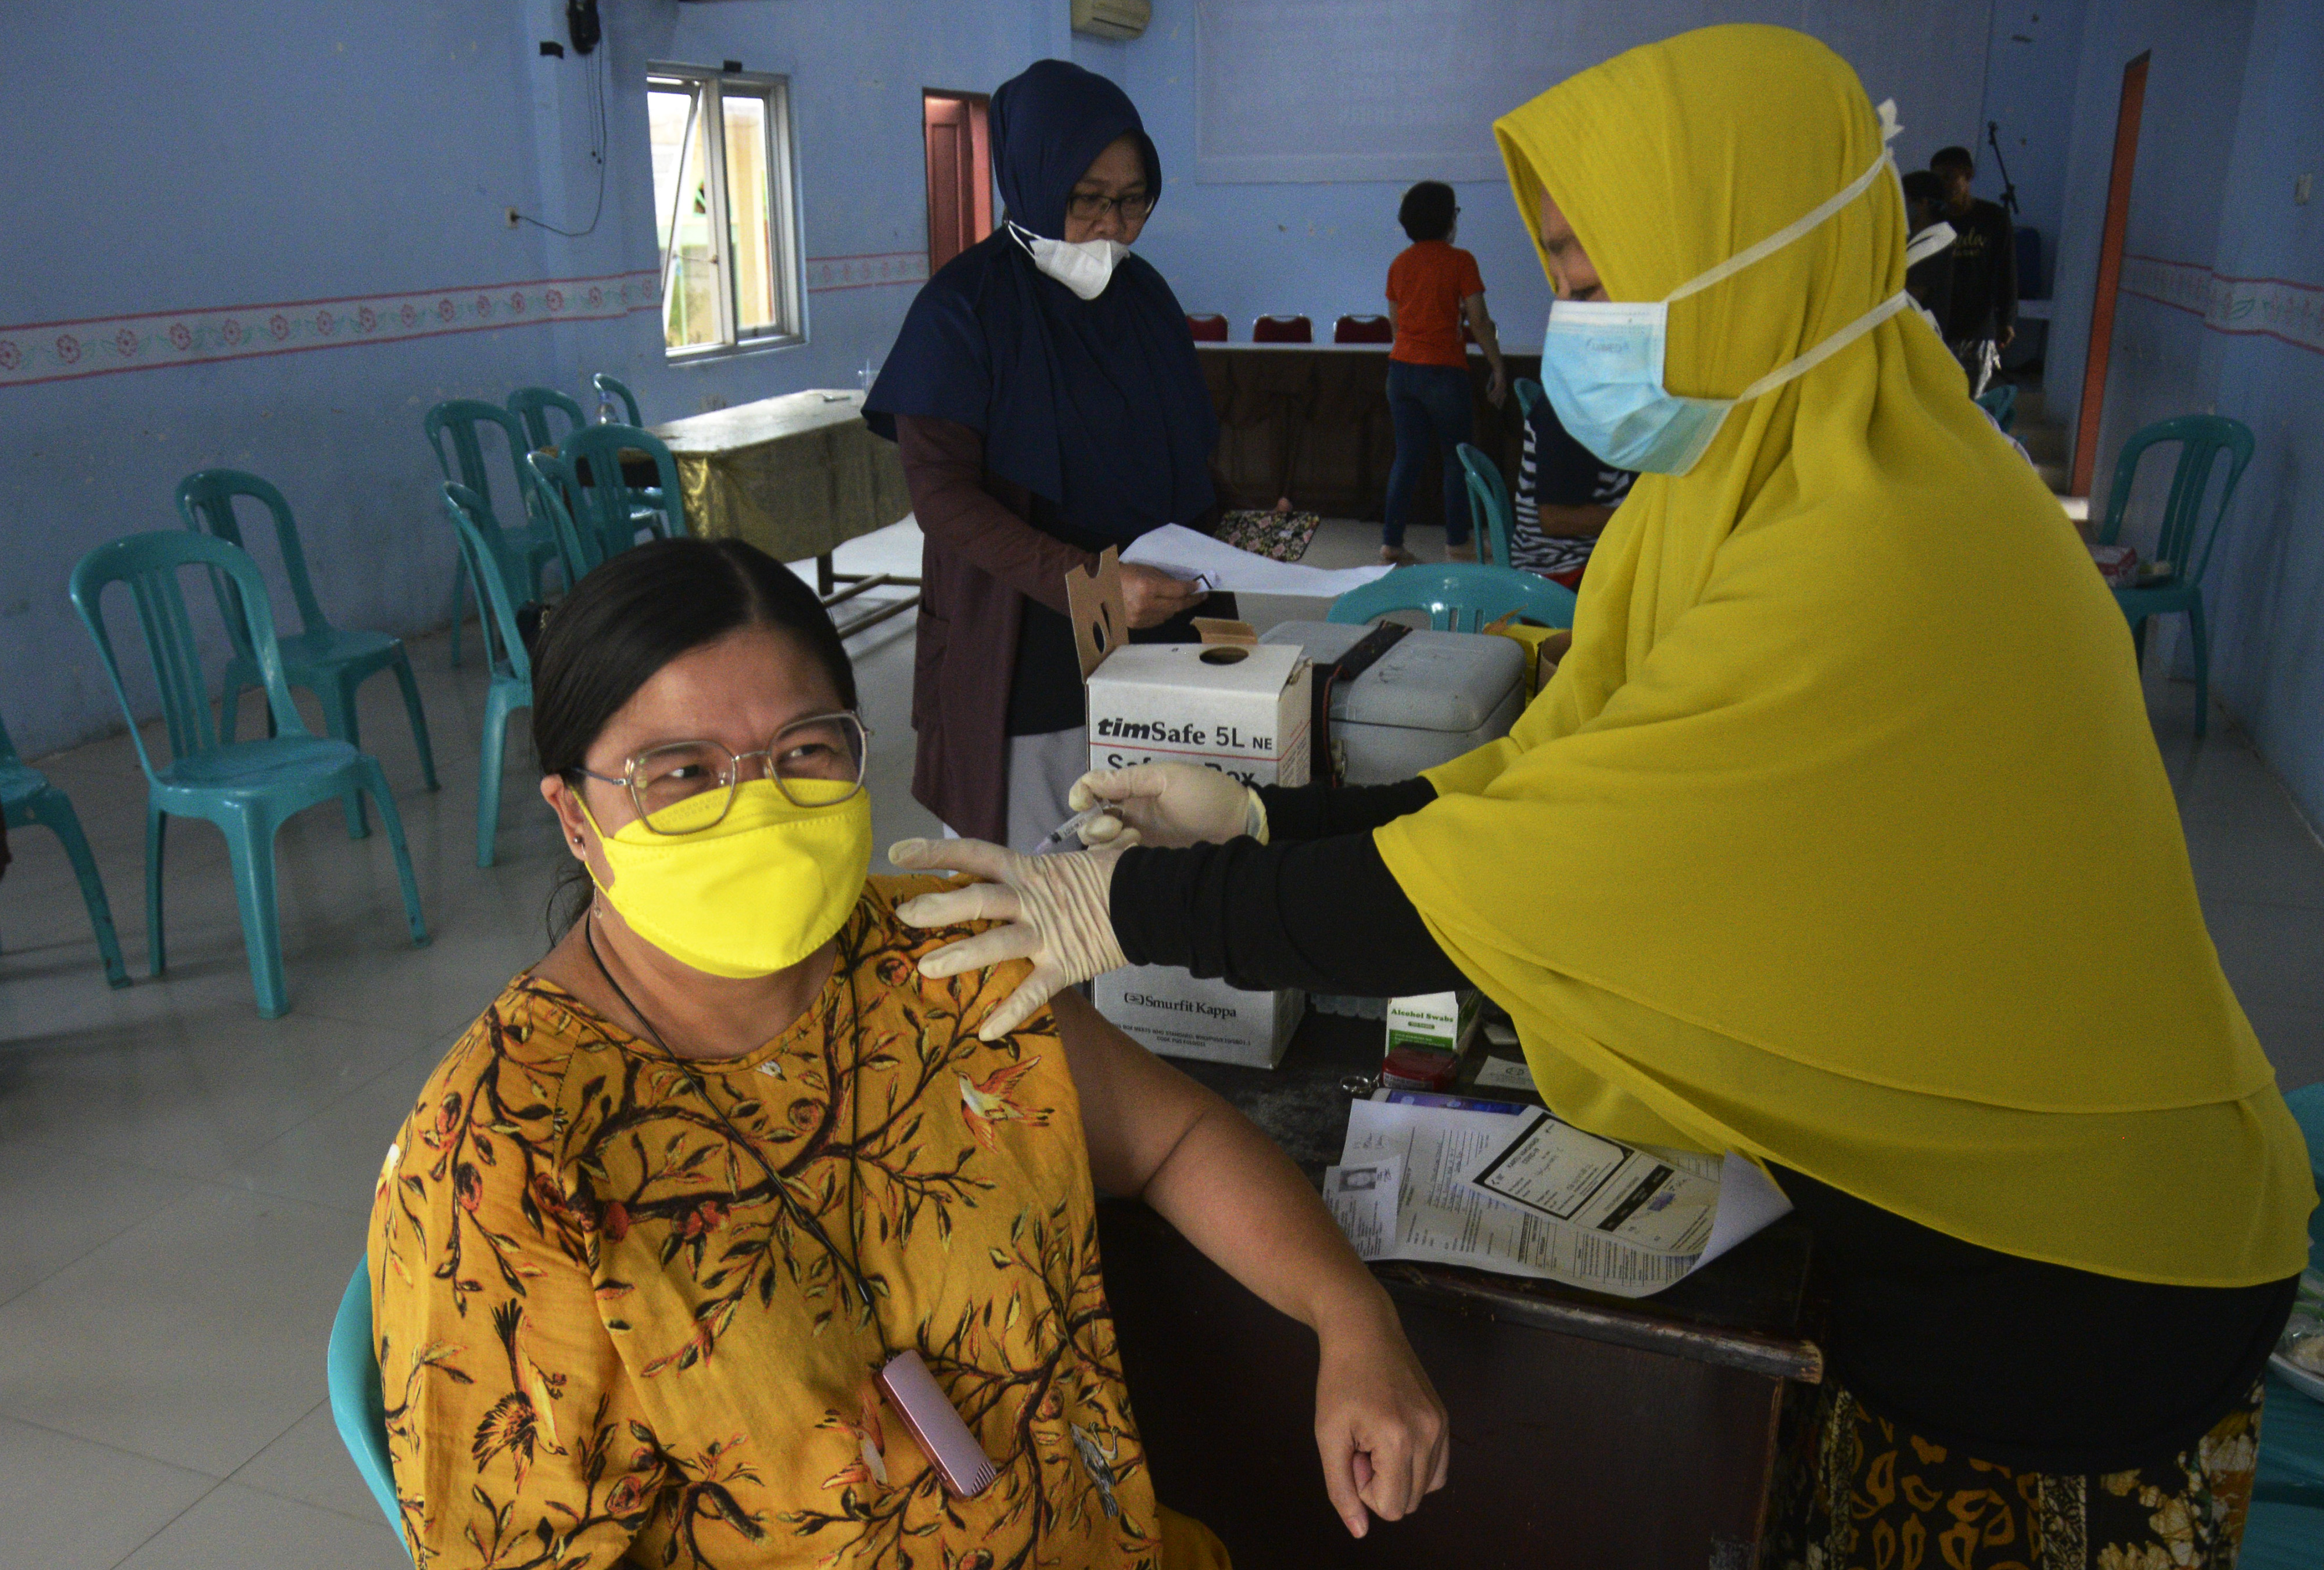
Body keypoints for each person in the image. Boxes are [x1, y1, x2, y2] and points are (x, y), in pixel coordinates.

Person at [888, 26, 2314, 1570]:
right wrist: (1260, 822)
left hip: (2073, 1266)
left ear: (1746, 252)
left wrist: (1128, 903)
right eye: (1561, 273)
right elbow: (1548, 779)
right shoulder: (1745, 489)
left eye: (1594, 274)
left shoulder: (1885, 551)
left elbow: (1544, 870)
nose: (1572, 319)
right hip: (1925, 1217)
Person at [367, 537, 1448, 1569]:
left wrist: (1349, 1314)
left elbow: (1175, 1138)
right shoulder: (504, 1155)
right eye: (682, 772)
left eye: (804, 751)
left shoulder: (937, 954)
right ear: (574, 817)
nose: (760, 802)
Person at [865, 60, 1221, 854]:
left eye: (1134, 201)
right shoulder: (962, 310)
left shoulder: (1146, 298)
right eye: (1088, 197)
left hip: (1148, 629)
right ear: (1033, 176)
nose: (1112, 225)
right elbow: (946, 502)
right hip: (1022, 646)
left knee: (1138, 862)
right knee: (1030, 880)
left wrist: (1233, 546)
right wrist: (1095, 587)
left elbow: (1188, 449)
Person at [1379, 180, 1508, 566]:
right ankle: (1457, 542)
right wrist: (1498, 366)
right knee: (1456, 458)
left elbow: (1396, 325)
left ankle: (1391, 543)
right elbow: (1480, 320)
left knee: (1407, 457)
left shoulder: (1399, 264)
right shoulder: (1460, 261)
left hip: (1401, 371)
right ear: (1447, 218)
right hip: (1443, 372)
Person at [1508, 390, 1633, 588]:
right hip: (1562, 571)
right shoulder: (1571, 412)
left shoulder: (1599, 402)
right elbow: (1555, 519)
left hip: (1590, 556)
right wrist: (1642, 517)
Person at [1928, 145, 2018, 396]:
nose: (1943, 185)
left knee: (1972, 401)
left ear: (1967, 176)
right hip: (1941, 323)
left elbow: (2007, 270)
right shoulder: (1935, 220)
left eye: (1949, 177)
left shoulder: (1993, 218)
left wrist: (2007, 320)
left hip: (1979, 325)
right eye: (1937, 179)